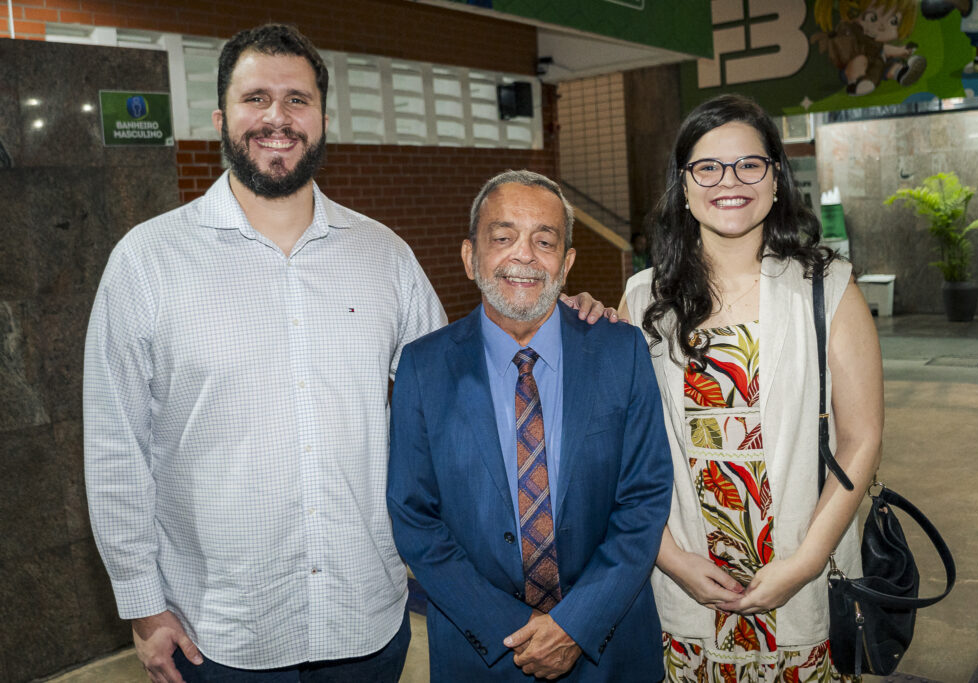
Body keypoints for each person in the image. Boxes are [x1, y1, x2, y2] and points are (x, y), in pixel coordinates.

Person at [84, 24, 609, 683]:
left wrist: (564, 325)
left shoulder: (383, 255)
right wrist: (141, 602)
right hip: (220, 631)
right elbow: (115, 447)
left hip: (367, 619)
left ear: (323, 119)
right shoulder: (148, 261)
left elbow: (463, 395)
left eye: (298, 100)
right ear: (220, 116)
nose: (277, 118)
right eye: (255, 99)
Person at [619, 94, 883, 681]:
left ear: (775, 177)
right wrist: (671, 558)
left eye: (749, 165)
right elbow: (623, 451)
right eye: (707, 167)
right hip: (687, 588)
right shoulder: (643, 299)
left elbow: (861, 439)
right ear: (683, 186)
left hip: (799, 577)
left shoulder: (826, 286)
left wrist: (806, 562)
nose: (728, 181)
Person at [387, 170, 673, 681]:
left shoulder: (621, 350)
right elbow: (415, 517)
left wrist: (574, 625)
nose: (524, 255)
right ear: (471, 257)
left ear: (565, 265)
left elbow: (645, 498)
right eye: (502, 237)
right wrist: (516, 627)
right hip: (484, 651)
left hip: (607, 645)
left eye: (545, 241)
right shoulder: (422, 368)